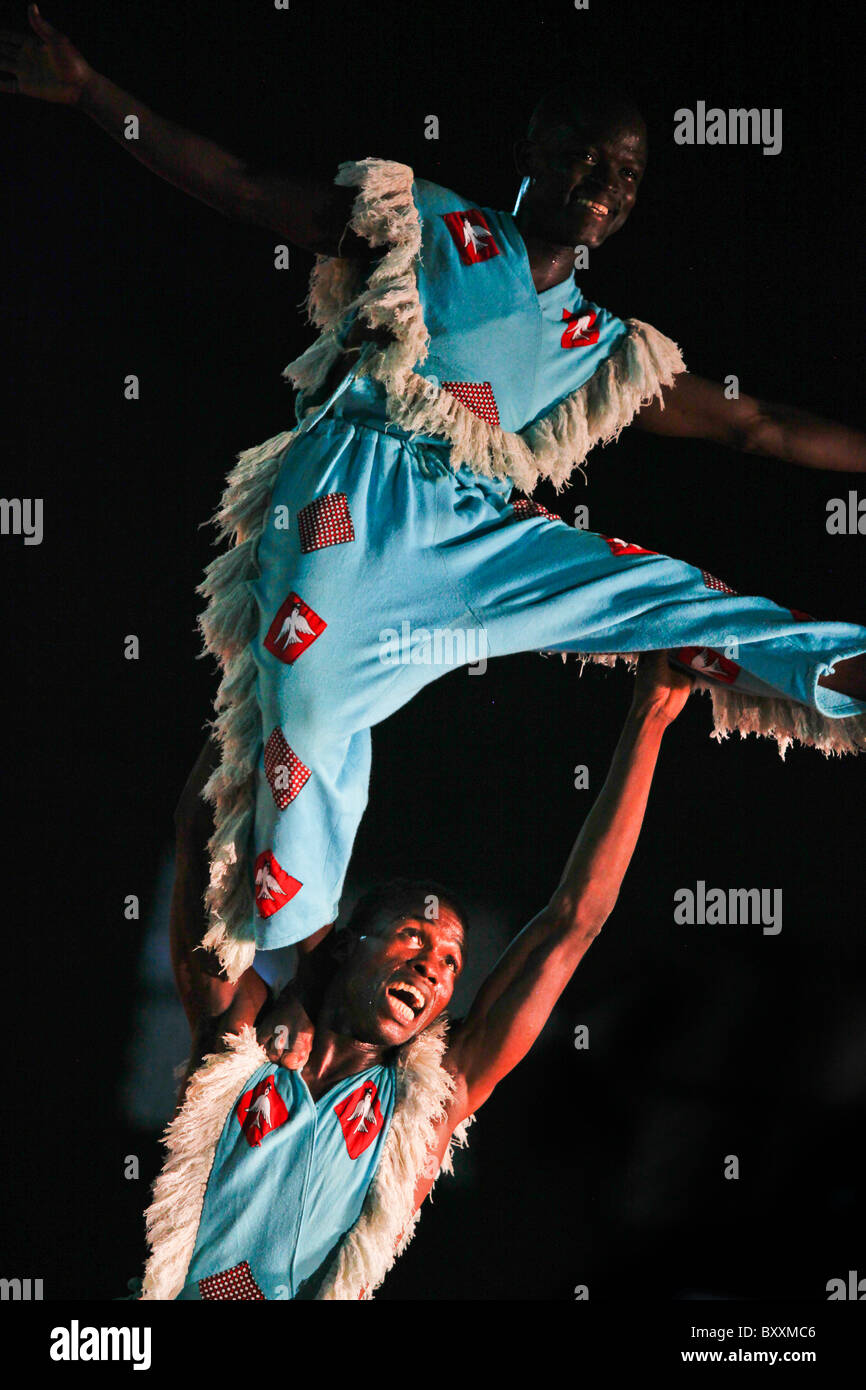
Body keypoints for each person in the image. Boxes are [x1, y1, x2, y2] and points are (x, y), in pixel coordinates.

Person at [5, 8, 866, 985]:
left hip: (469, 527)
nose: (602, 184)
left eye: (625, 175)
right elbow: (243, 190)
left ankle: (844, 672)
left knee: (659, 592)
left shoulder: (599, 341)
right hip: (353, 494)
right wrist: (88, 94)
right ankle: (295, 984)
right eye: (584, 155)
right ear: (532, 151)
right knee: (308, 721)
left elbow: (756, 426)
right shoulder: (434, 225)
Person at [142, 652, 692, 1301]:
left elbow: (572, 922)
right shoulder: (241, 1030)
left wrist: (651, 717)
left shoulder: (430, 1101)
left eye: (451, 964)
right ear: (348, 945)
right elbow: (200, 828)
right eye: (412, 938)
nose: (432, 968)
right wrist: (268, 664)